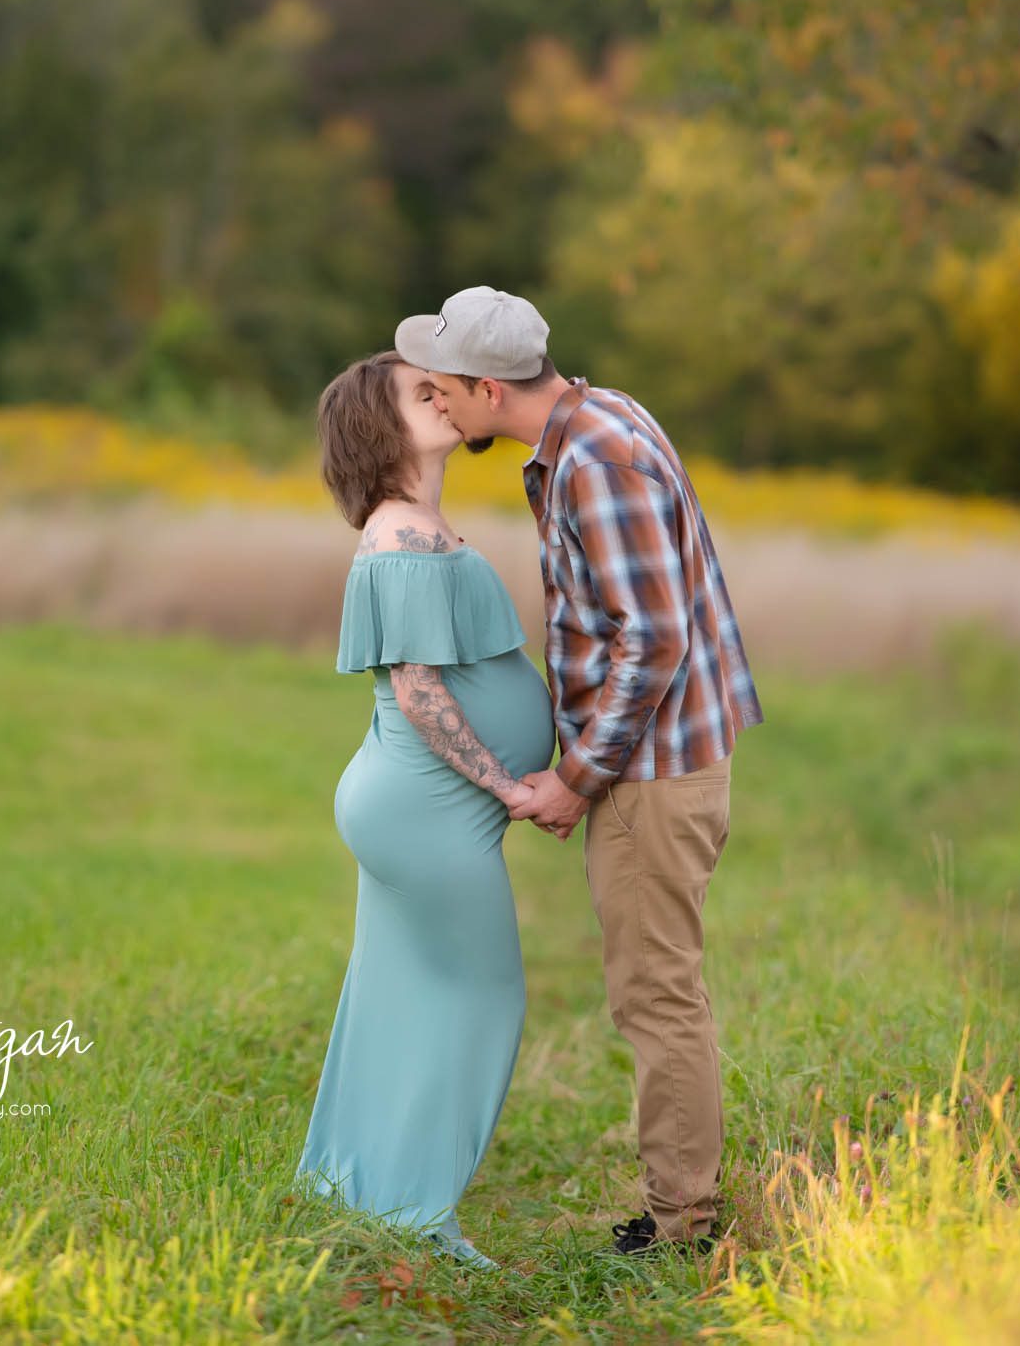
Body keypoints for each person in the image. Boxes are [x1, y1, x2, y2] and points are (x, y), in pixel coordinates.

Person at [394, 285, 766, 1258]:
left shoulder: (595, 458)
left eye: (441, 387)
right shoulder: (596, 419)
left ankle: (683, 1226)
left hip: (651, 773)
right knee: (657, 986)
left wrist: (574, 777)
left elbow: (652, 639)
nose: (436, 403)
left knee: (654, 992)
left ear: (485, 387)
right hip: (658, 761)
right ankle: (683, 1208)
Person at [294, 347, 557, 1272]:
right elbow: (419, 690)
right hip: (429, 805)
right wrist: (510, 784)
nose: (442, 397)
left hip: (416, 801)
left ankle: (349, 1186)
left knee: (395, 996)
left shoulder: (416, 524)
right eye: (421, 392)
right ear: (383, 426)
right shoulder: (400, 535)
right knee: (484, 999)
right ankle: (416, 1214)